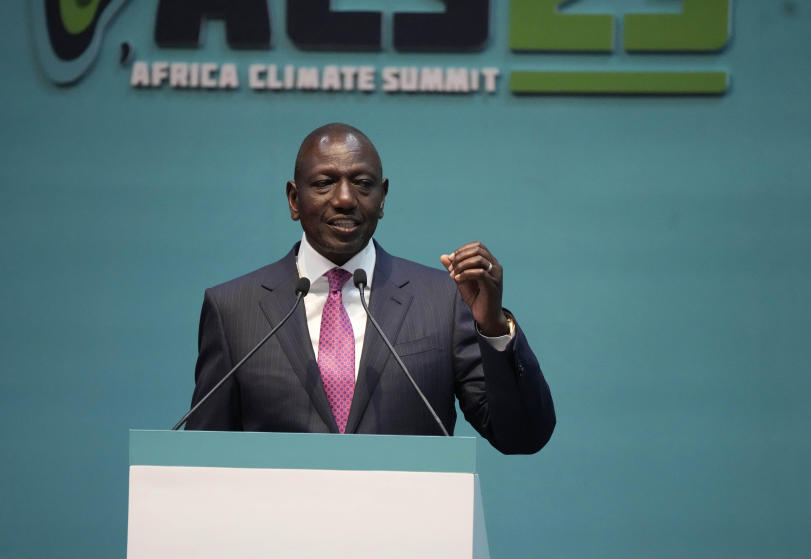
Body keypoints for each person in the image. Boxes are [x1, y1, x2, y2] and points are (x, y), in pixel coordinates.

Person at [187, 123, 555, 454]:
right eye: (324, 183)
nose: (345, 199)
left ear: (382, 199)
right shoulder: (234, 309)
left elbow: (521, 436)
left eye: (363, 184)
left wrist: (492, 327)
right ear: (294, 200)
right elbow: (201, 458)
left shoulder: (441, 300)